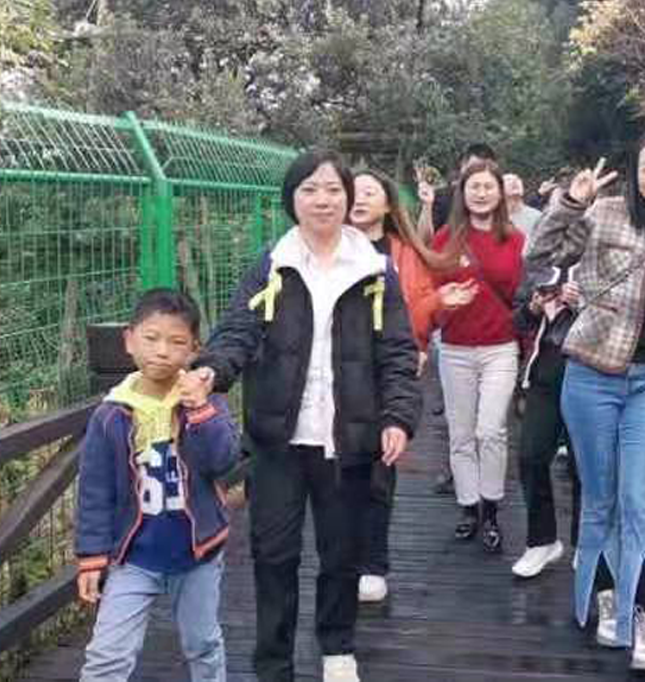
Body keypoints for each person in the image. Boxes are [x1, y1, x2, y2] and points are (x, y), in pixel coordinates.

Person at [183, 151, 422, 682]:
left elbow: (398, 352)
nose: (323, 200)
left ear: (348, 198)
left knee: (342, 553)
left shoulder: (375, 271)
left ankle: (338, 648)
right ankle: (273, 663)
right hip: (278, 440)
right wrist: (211, 372)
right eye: (310, 189)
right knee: (273, 554)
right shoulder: (272, 265)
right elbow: (238, 331)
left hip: (349, 439)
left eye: (334, 190)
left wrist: (398, 417)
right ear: (291, 199)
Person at [526, 127, 645, 672]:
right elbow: (538, 254)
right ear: (634, 173)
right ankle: (607, 597)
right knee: (600, 497)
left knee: (640, 500)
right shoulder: (606, 213)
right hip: (590, 376)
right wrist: (570, 202)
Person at [75, 288, 237, 682]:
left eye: (177, 342)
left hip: (197, 553)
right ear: (129, 340)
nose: (162, 351)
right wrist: (91, 556)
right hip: (133, 557)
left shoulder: (206, 402)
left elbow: (224, 461)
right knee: (106, 656)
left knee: (203, 644)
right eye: (151, 338)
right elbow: (94, 490)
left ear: (195, 350)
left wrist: (200, 410)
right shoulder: (111, 414)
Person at [348, 168, 446, 603]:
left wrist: (416, 344)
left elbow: (420, 306)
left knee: (377, 469)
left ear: (388, 204)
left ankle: (373, 563)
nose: (359, 199)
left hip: (383, 373)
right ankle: (344, 558)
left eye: (370, 192)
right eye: (353, 191)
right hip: (333, 375)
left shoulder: (404, 253)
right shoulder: (327, 248)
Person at [431, 159, 526, 554]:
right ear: (463, 193)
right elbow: (429, 291)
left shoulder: (515, 239)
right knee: (461, 434)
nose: (482, 193)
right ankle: (469, 507)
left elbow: (524, 293)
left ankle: (491, 508)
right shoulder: (445, 238)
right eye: (474, 187)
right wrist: (443, 302)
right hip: (455, 348)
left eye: (489, 186)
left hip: (500, 347)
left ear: (500, 193)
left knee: (490, 430)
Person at [510, 258, 580, 578]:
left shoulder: (608, 252)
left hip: (589, 375)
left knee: (584, 466)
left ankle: (586, 541)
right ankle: (542, 540)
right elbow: (518, 319)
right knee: (530, 456)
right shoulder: (542, 260)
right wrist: (535, 306)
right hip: (544, 374)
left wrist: (583, 303)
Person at [503, 173, 544, 244]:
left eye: (517, 179)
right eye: (508, 180)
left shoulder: (538, 217)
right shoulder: (492, 219)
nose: (514, 181)